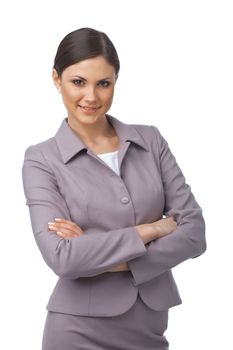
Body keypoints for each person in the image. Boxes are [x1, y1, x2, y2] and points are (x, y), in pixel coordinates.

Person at [22, 27, 207, 350]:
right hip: (77, 331)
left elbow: (194, 234)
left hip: (149, 328)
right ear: (56, 79)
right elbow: (63, 258)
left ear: (115, 82)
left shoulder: (150, 140)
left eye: (103, 83)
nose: (91, 97)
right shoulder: (41, 159)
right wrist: (152, 229)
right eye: (78, 82)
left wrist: (97, 252)